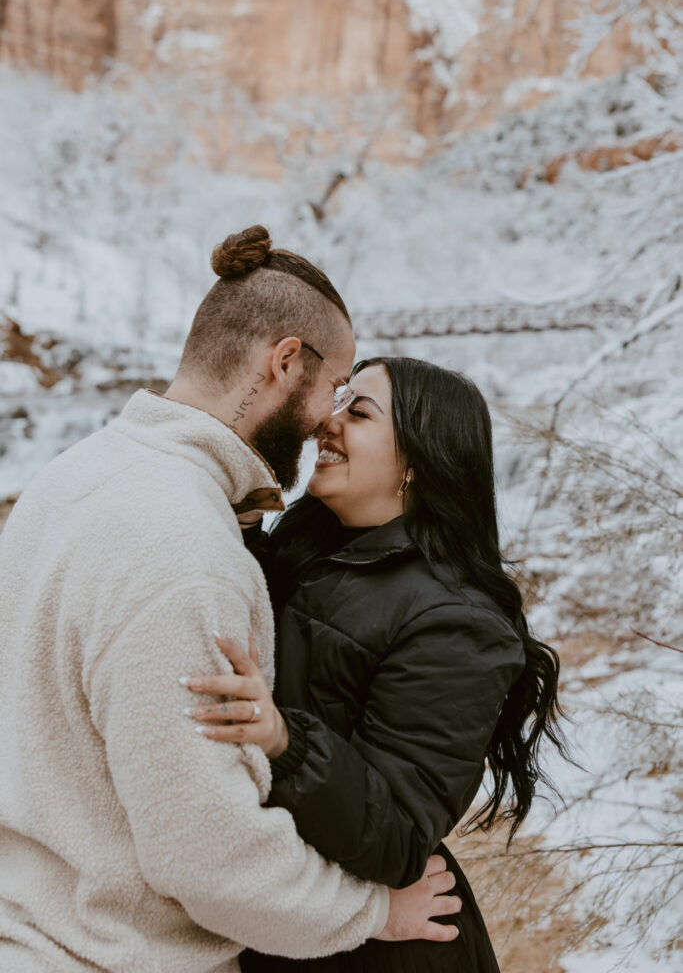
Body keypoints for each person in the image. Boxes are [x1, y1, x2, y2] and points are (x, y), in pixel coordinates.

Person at [0, 227, 460, 973]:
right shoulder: (187, 550)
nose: (326, 422)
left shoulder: (72, 477)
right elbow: (207, 857)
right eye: (333, 388)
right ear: (285, 362)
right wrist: (372, 910)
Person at [180, 355, 567, 972]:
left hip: (387, 948)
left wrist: (286, 739)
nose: (326, 424)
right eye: (338, 403)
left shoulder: (458, 622)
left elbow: (399, 836)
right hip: (296, 918)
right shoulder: (310, 547)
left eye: (357, 413)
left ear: (417, 461)